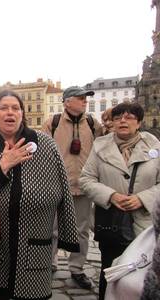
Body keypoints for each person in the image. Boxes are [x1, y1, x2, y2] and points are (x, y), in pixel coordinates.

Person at [0, 90, 79, 300]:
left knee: (33, 293)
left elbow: (64, 189)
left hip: (35, 239)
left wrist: (68, 233)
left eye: (15, 108)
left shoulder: (44, 144)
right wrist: (3, 165)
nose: (10, 112)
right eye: (3, 108)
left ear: (22, 114)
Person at [79, 102, 160, 300]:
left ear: (139, 122)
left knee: (143, 275)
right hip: (111, 224)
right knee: (110, 271)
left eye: (130, 117)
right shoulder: (100, 147)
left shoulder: (155, 148)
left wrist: (143, 198)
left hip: (145, 225)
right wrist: (111, 196)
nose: (123, 121)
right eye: (117, 118)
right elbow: (86, 180)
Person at [42, 85, 103, 289]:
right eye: (80, 98)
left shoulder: (94, 124)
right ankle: (49, 263)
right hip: (57, 185)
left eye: (85, 98)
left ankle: (77, 268)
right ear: (67, 101)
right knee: (52, 228)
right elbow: (42, 155)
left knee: (82, 230)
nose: (85, 101)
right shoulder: (53, 123)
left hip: (84, 186)